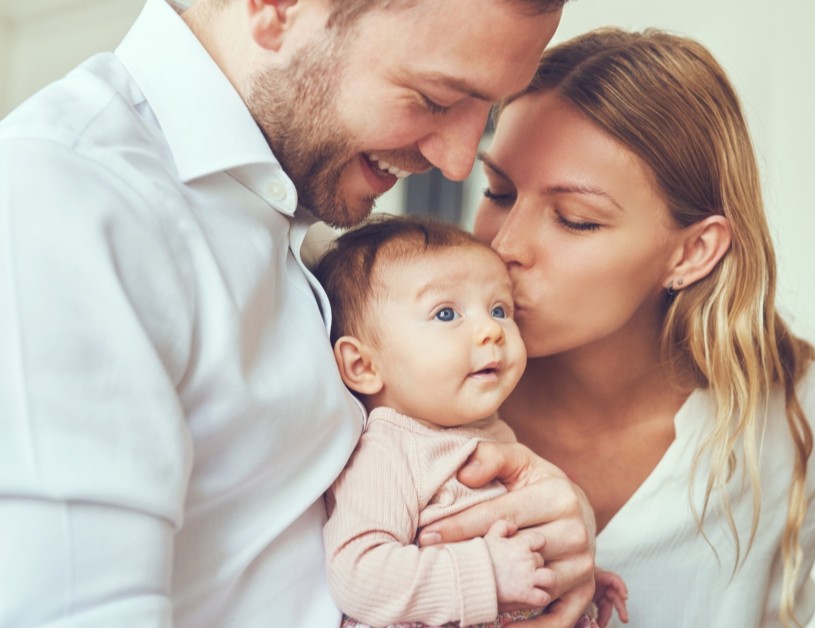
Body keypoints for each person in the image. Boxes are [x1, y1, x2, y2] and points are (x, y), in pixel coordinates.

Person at [0, 1, 597, 626]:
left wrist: (545, 524)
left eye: (487, 111)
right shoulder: (66, 198)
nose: (457, 160)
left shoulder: (292, 210)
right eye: (436, 99)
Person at [433, 28, 815, 627]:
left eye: (575, 220)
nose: (505, 245)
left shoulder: (793, 417)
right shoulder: (409, 385)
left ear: (693, 252)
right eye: (498, 192)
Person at [312, 215, 628, 628]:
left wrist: (562, 575)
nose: (490, 330)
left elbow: (515, 535)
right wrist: (488, 574)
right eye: (446, 313)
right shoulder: (387, 451)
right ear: (363, 365)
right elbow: (358, 575)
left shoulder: (490, 434)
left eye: (499, 309)